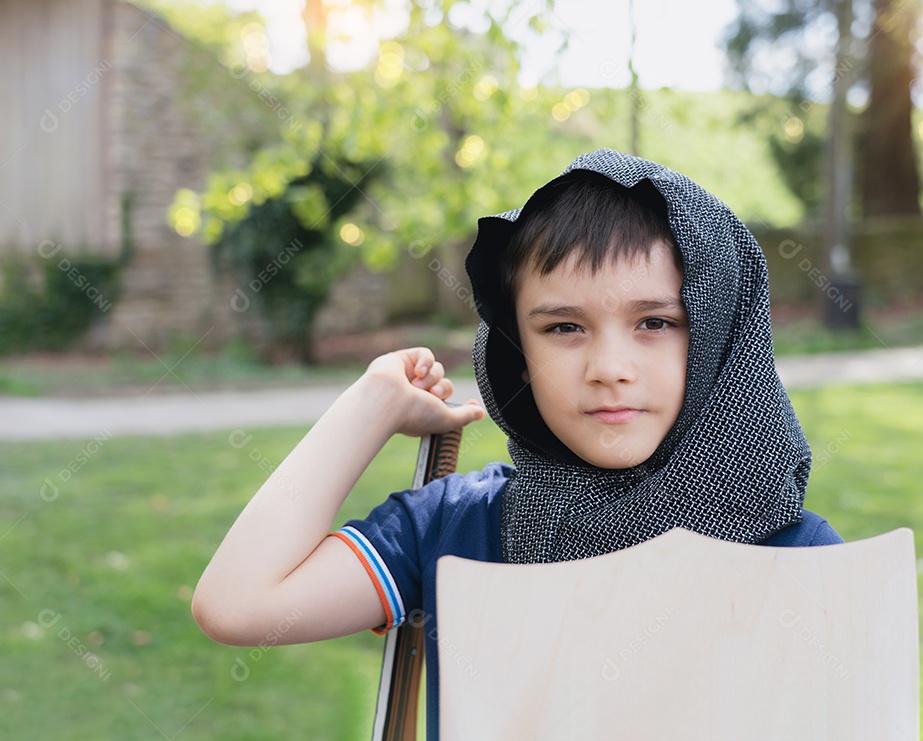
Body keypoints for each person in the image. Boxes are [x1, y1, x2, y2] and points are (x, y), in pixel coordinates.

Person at [192, 149, 842, 738]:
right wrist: (372, 403)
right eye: (564, 326)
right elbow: (239, 603)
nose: (609, 366)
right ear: (517, 352)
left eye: (654, 322)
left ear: (718, 329)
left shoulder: (796, 560)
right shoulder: (455, 531)